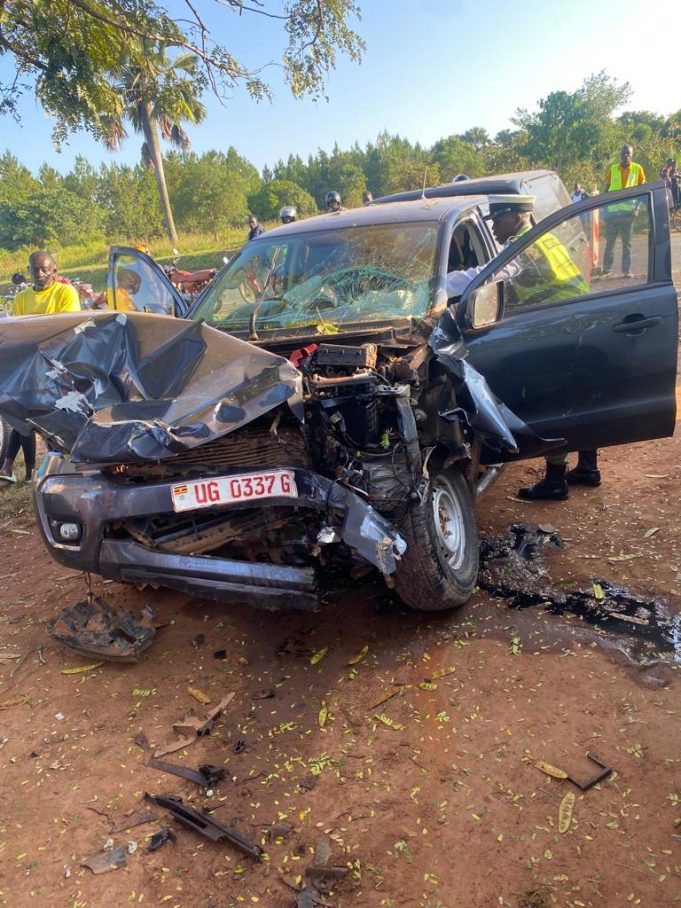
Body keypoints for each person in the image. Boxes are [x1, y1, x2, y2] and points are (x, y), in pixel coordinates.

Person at [1, 252, 81, 483]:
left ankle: (37, 467)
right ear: (28, 271)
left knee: (52, 415)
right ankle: (26, 470)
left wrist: (36, 338)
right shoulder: (21, 298)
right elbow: (18, 332)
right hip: (28, 366)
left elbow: (65, 328)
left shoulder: (65, 292)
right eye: (35, 269)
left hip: (58, 365)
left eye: (45, 269)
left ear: (54, 270)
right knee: (25, 413)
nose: (40, 274)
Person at [600, 144, 646, 279]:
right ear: (620, 154)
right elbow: (606, 190)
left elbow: (642, 191)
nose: (625, 155)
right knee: (610, 243)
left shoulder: (638, 169)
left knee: (627, 244)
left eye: (628, 153)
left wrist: (637, 208)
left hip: (628, 214)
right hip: (613, 214)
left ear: (632, 154)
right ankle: (606, 270)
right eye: (623, 153)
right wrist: (603, 209)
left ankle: (626, 270)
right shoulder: (613, 169)